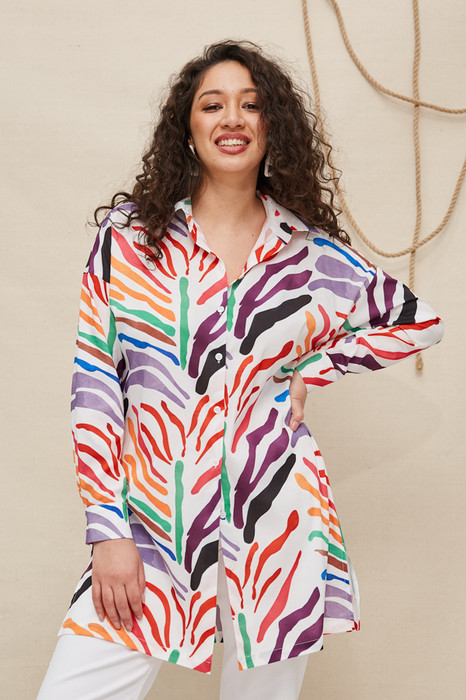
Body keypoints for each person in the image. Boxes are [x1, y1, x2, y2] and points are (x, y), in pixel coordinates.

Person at [37, 39, 443, 700]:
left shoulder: (307, 254)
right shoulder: (131, 241)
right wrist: (108, 531)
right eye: (213, 105)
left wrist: (314, 369)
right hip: (154, 526)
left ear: (272, 125)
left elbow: (417, 321)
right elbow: (95, 391)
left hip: (276, 527)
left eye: (251, 105)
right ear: (187, 127)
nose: (233, 118)